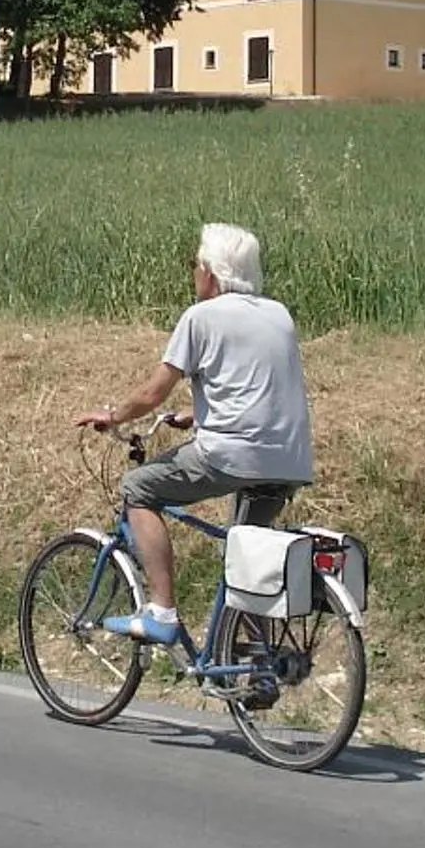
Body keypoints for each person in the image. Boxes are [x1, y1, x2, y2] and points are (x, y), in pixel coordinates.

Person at [75, 222, 313, 645]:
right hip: (289, 461)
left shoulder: (200, 317)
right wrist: (199, 415)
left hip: (231, 457)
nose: (193, 273)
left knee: (137, 489)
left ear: (211, 272)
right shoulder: (279, 315)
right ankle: (259, 659)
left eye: (194, 264)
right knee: (246, 555)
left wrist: (114, 417)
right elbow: (260, 392)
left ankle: (162, 612)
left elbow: (153, 391)